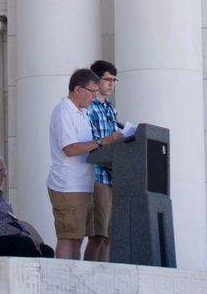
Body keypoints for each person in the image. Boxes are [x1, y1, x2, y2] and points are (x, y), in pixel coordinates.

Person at [47, 68, 123, 260]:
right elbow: (70, 149)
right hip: (68, 185)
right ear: (77, 89)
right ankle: (63, 281)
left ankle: (76, 279)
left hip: (84, 184)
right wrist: (102, 141)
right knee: (68, 237)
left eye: (97, 92)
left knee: (79, 238)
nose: (94, 97)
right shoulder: (64, 111)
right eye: (92, 91)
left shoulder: (83, 113)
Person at [85, 58, 120, 261]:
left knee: (108, 236)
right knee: (97, 234)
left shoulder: (111, 109)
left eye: (114, 80)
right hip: (97, 175)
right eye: (108, 80)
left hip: (113, 176)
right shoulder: (90, 108)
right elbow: (90, 141)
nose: (111, 85)